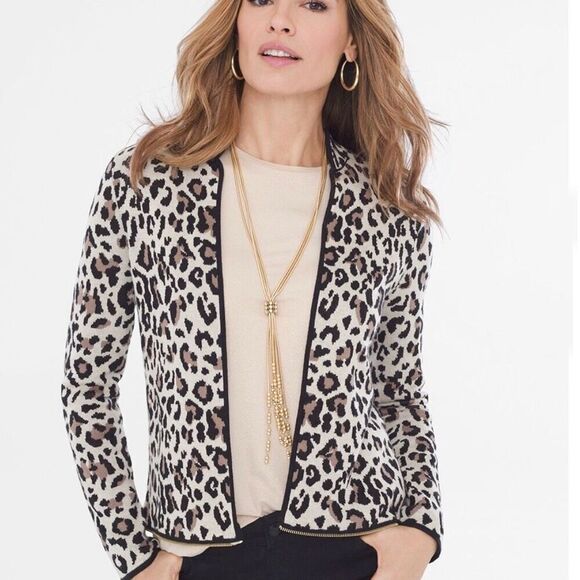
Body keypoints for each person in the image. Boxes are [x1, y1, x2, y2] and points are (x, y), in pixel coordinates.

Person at [60, 1, 447, 578]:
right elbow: (87, 385)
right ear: (236, 22)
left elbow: (399, 390)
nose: (280, 20)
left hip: (355, 546)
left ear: (352, 42)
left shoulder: (387, 210)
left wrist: (418, 531)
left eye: (314, 4)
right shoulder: (148, 183)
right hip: (195, 555)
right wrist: (136, 556)